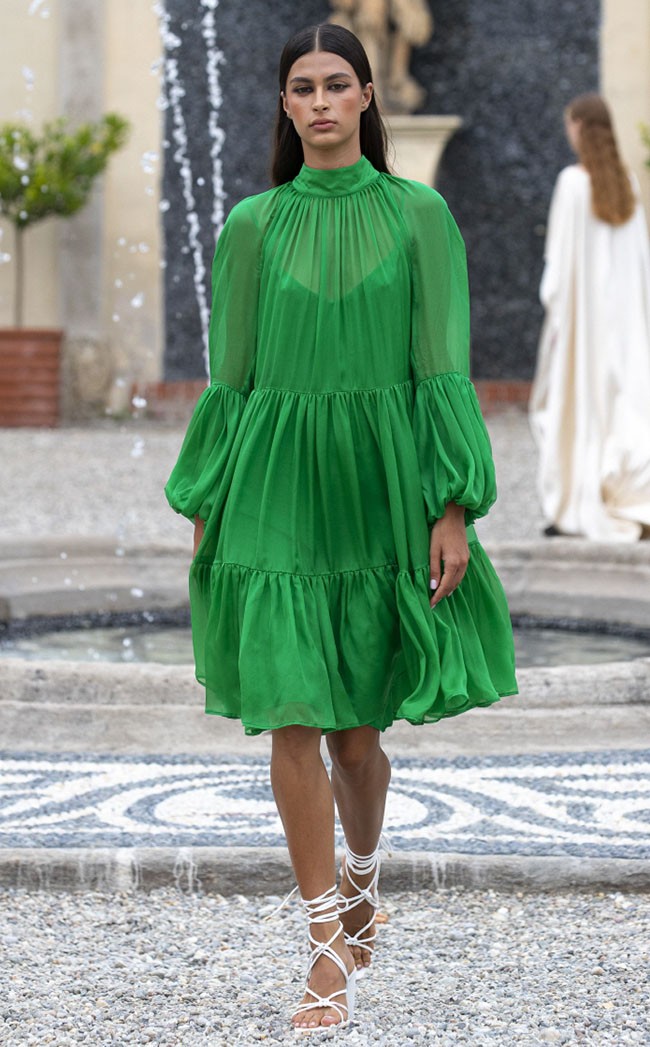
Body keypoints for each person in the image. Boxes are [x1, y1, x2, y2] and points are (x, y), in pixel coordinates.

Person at [165, 23, 517, 1033]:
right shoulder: (251, 226)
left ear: (366, 96)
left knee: (358, 741)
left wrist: (451, 507)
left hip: (379, 486)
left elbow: (440, 366)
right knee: (292, 715)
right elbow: (231, 378)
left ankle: (364, 873)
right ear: (284, 106)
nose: (319, 102)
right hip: (274, 486)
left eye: (335, 84)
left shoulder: (419, 216)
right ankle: (324, 943)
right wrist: (207, 504)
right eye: (302, 88)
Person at [530, 93, 650, 541]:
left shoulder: (571, 183)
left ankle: (575, 502)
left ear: (579, 126)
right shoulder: (628, 184)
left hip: (583, 326)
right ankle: (629, 494)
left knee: (576, 406)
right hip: (625, 324)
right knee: (623, 405)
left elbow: (558, 267)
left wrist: (555, 313)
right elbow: (639, 262)